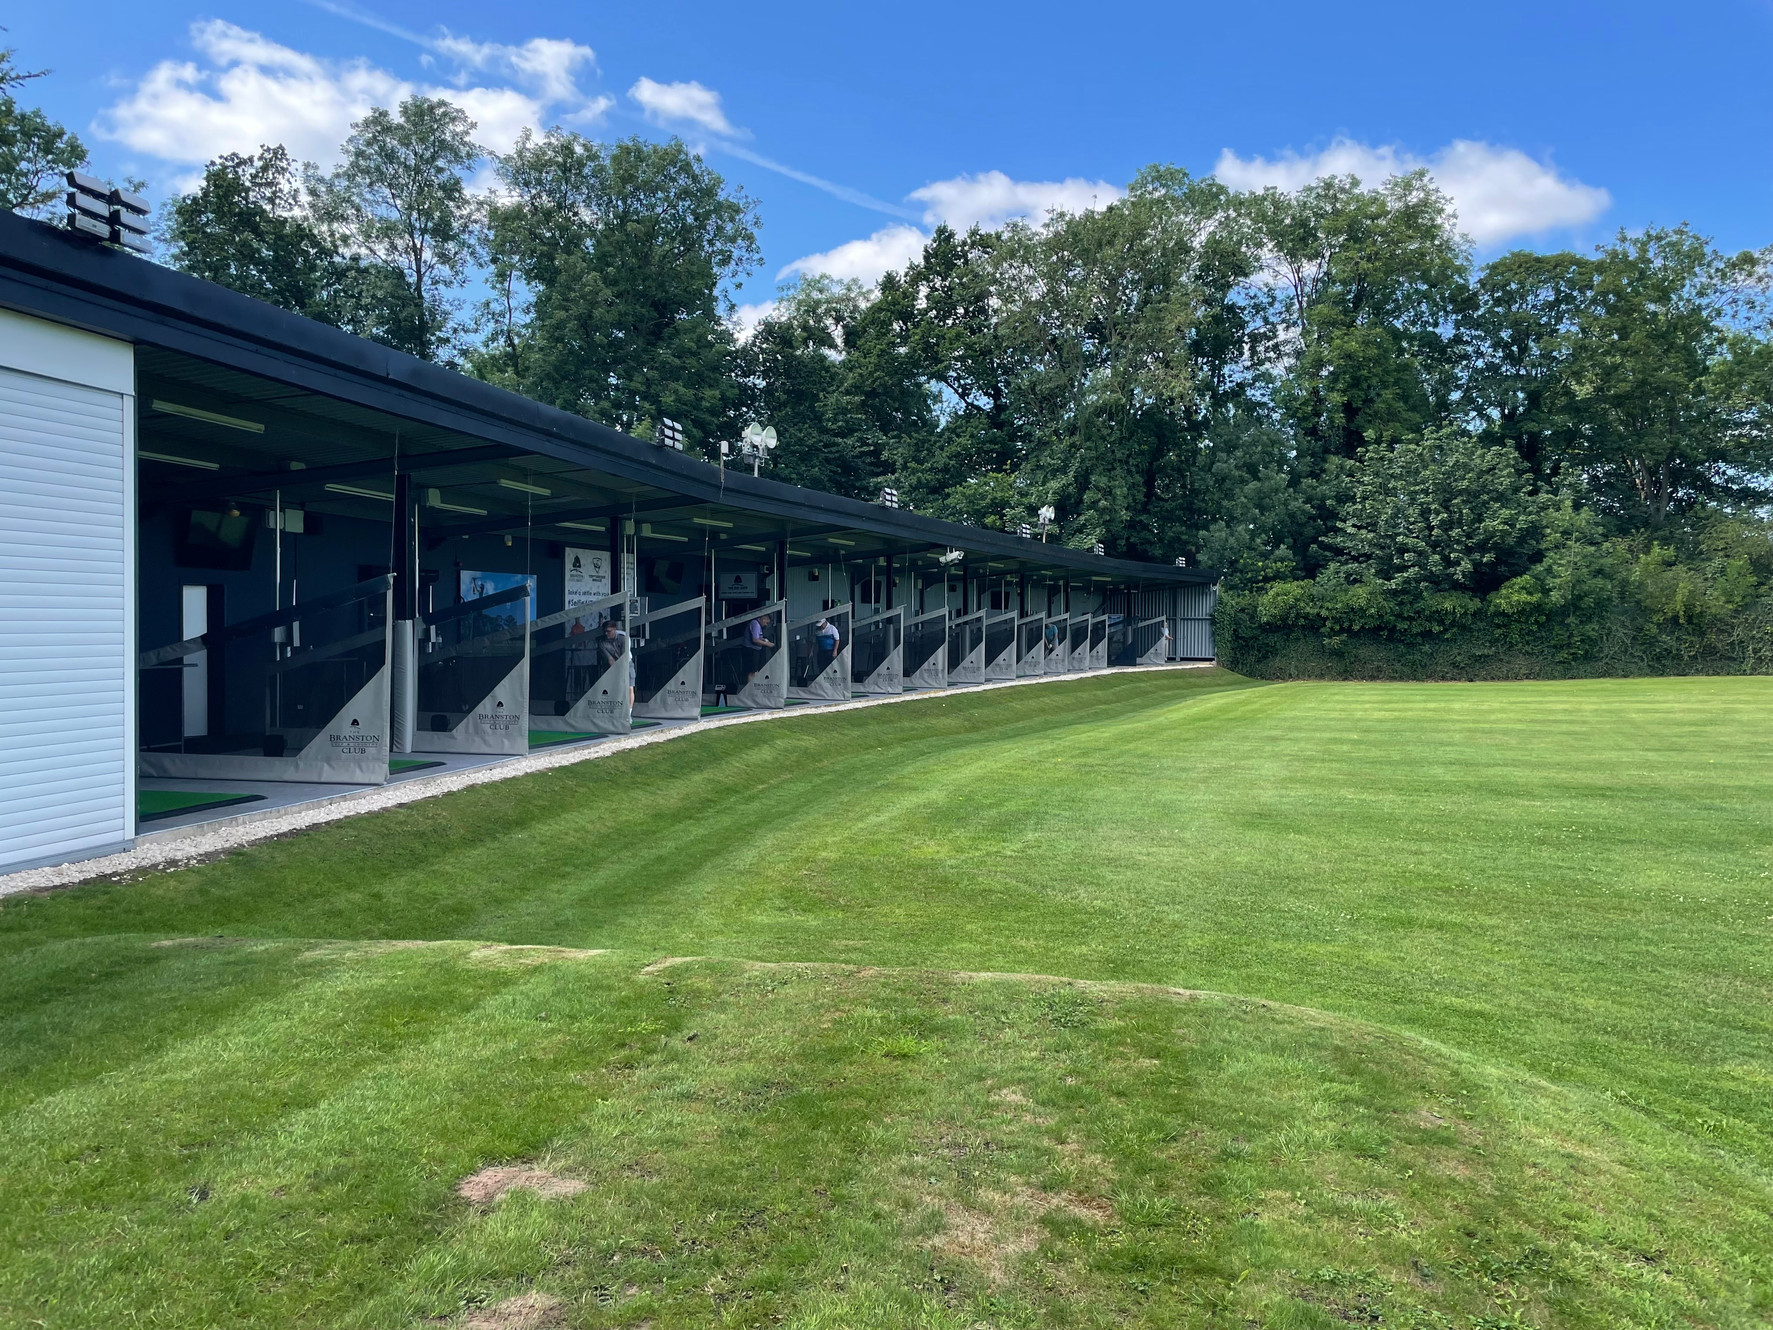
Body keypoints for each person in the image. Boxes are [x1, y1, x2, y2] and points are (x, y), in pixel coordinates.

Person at [745, 611, 775, 682]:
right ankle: (751, 686)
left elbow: (758, 637)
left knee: (755, 670)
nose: (766, 625)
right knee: (752, 671)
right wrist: (767, 644)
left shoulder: (757, 625)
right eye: (766, 623)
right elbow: (755, 639)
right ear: (763, 619)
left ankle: (754, 684)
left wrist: (764, 640)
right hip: (752, 650)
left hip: (756, 650)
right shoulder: (755, 624)